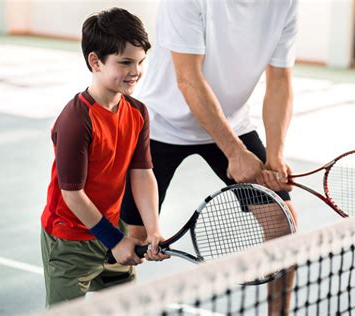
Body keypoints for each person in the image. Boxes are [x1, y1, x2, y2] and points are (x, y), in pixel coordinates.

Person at [121, 0, 299, 313]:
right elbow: (188, 78)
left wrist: (275, 155)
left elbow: (280, 80)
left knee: (282, 223)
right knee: (131, 238)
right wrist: (235, 152)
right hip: (161, 124)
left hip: (231, 121)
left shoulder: (285, 3)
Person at [40, 7, 168, 307]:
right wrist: (114, 240)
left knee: (125, 308)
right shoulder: (76, 121)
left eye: (140, 62)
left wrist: (153, 230)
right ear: (95, 61)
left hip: (113, 230)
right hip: (70, 241)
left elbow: (142, 172)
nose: (135, 71)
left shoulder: (137, 112)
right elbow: (72, 194)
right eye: (125, 62)